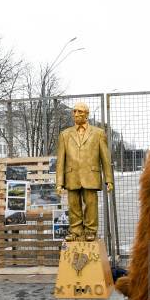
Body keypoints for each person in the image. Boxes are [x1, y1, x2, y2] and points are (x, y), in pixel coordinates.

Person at [55, 102, 113, 242]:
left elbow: (105, 159)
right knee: (73, 205)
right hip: (71, 175)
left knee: (91, 205)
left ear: (86, 114)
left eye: (79, 112)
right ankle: (75, 231)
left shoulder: (98, 133)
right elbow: (60, 161)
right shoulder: (65, 134)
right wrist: (59, 183)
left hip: (91, 175)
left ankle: (90, 230)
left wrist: (109, 179)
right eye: (74, 112)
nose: (76, 114)